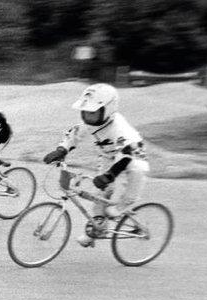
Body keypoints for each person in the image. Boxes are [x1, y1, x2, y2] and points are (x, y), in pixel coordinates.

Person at [42, 83, 149, 247]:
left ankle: (124, 206)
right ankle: (95, 230)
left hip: (131, 157)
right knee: (100, 195)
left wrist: (110, 175)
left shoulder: (119, 127)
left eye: (93, 112)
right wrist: (61, 150)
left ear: (109, 109)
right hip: (108, 157)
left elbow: (126, 155)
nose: (88, 117)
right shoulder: (91, 124)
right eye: (85, 112)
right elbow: (74, 135)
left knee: (130, 182)